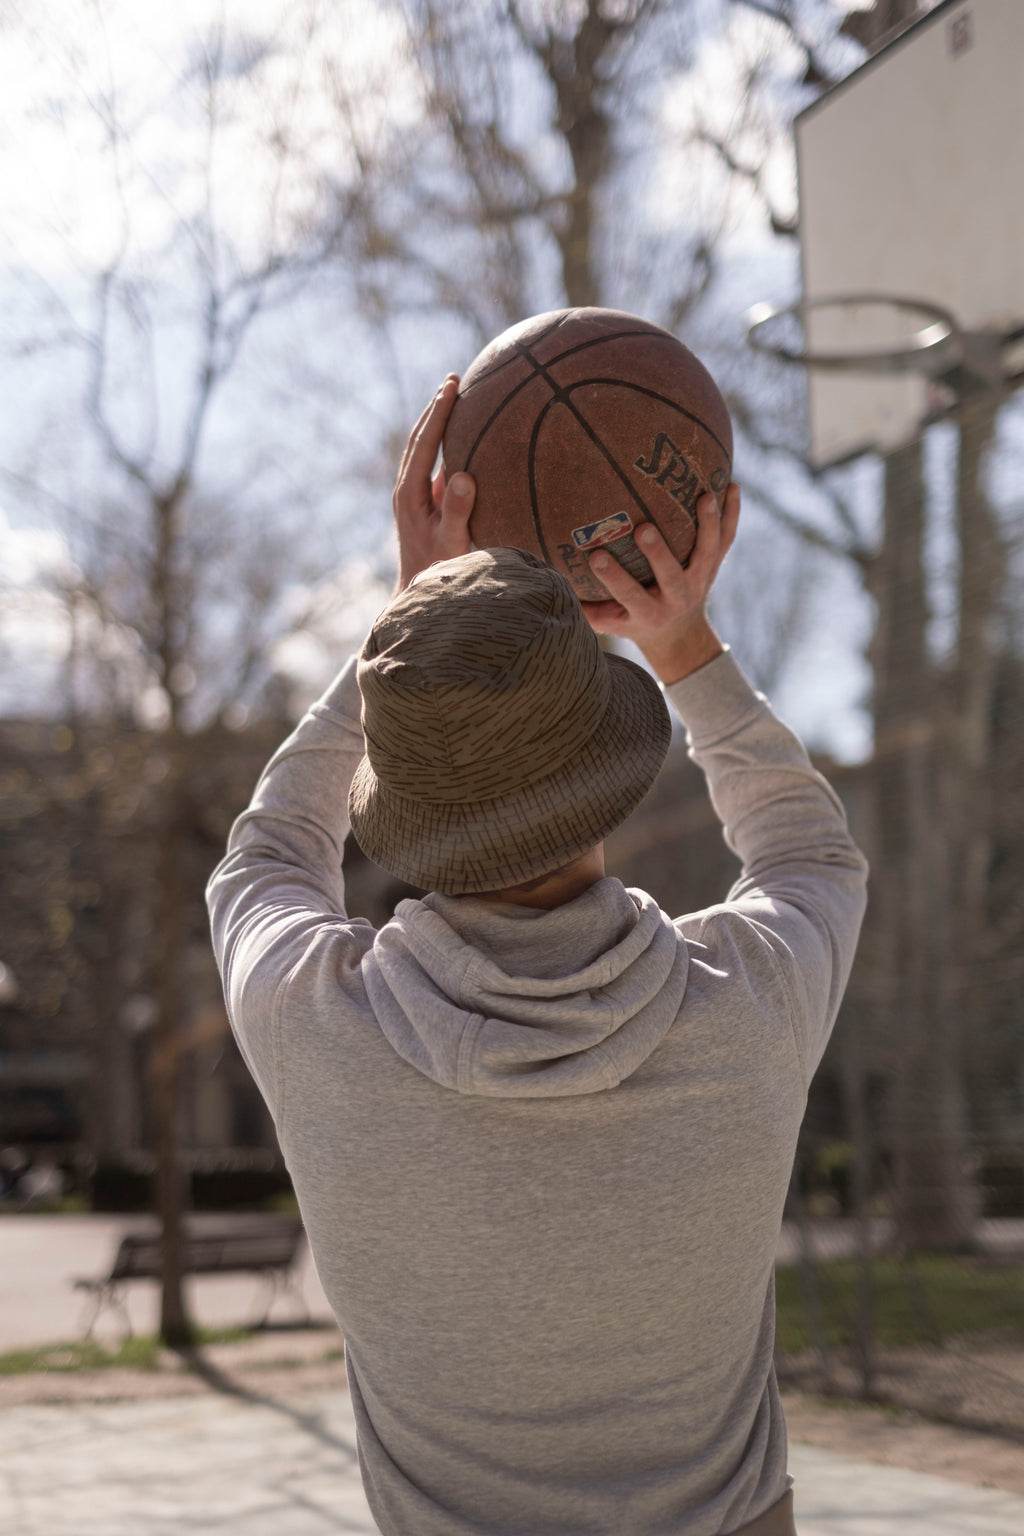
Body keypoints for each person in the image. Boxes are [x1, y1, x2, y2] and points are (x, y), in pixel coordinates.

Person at [207, 375, 868, 1536]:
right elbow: (811, 852)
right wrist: (684, 640)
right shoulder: (746, 1002)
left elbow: (265, 853)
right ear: (608, 775)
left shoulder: (313, 1024)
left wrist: (408, 645)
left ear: (399, 800)